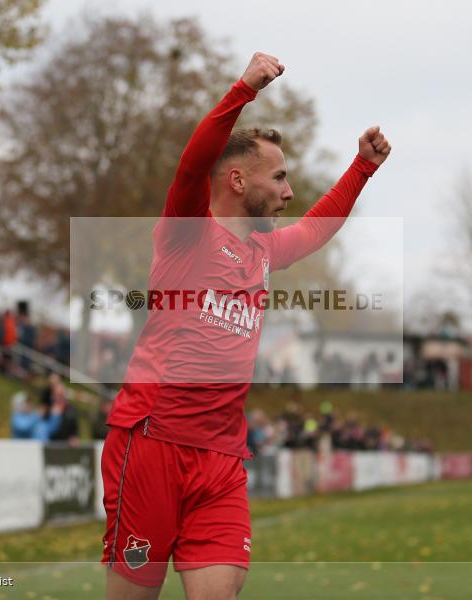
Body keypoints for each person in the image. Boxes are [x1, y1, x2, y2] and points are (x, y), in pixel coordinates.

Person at [100, 52, 390, 598]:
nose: (288, 192)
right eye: (279, 177)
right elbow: (191, 168)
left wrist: (362, 169)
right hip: (151, 443)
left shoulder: (263, 250)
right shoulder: (187, 232)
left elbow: (316, 226)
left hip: (223, 459)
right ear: (237, 179)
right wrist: (243, 90)